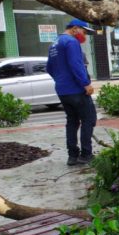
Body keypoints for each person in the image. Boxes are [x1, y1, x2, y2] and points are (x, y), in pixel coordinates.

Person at [46, 19, 97, 166]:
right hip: (76, 90)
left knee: (72, 121)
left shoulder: (55, 43)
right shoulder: (71, 41)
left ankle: (72, 156)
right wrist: (85, 83)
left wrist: (62, 80)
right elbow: (76, 64)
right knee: (89, 119)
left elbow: (49, 68)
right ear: (75, 29)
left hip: (62, 91)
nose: (84, 36)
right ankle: (86, 154)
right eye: (84, 31)